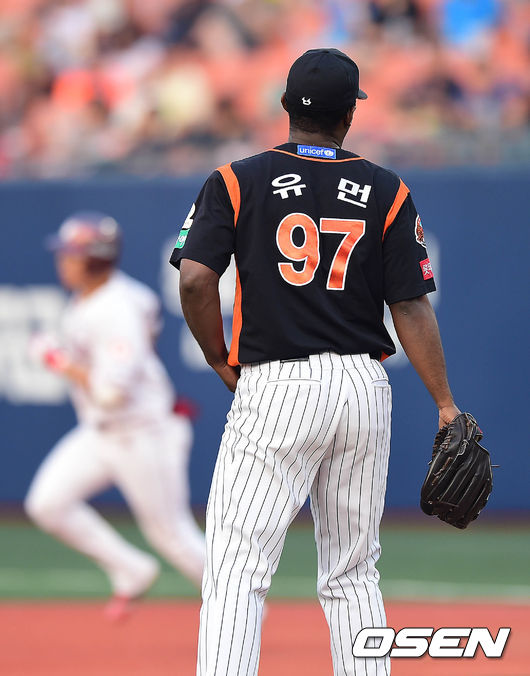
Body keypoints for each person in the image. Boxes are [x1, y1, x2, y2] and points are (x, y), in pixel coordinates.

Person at [171, 48, 460, 676]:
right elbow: (410, 305)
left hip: (278, 383)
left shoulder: (236, 179)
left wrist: (219, 358)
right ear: (350, 114)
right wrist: (444, 403)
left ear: (284, 105)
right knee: (352, 573)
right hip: (362, 385)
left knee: (237, 568)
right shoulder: (386, 188)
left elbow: (195, 279)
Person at [25, 211, 205, 620]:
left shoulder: (116, 309)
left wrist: (56, 359)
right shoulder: (99, 298)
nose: (63, 261)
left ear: (95, 258)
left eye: (71, 254)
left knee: (172, 535)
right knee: (47, 504)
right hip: (102, 433)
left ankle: (240, 602)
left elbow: (110, 394)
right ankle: (131, 569)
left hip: (143, 433)